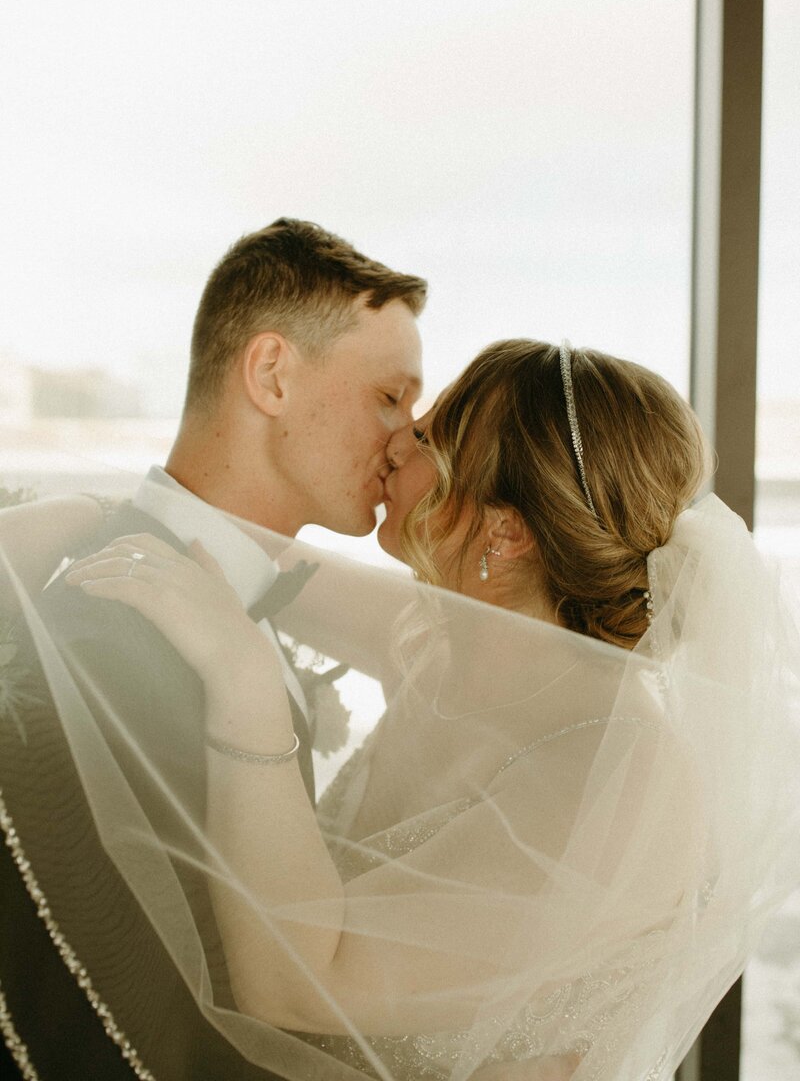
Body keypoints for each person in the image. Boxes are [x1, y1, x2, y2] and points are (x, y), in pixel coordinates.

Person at [3, 338, 797, 1080]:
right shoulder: (441, 637)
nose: (394, 442)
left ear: (506, 532)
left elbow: (300, 987)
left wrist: (246, 686)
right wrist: (75, 511)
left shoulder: (626, 786)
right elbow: (239, 542)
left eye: (428, 436)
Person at [0, 217, 426, 1080]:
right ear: (271, 374)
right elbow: (105, 1000)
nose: (405, 439)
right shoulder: (110, 633)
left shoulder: (236, 607)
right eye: (389, 397)